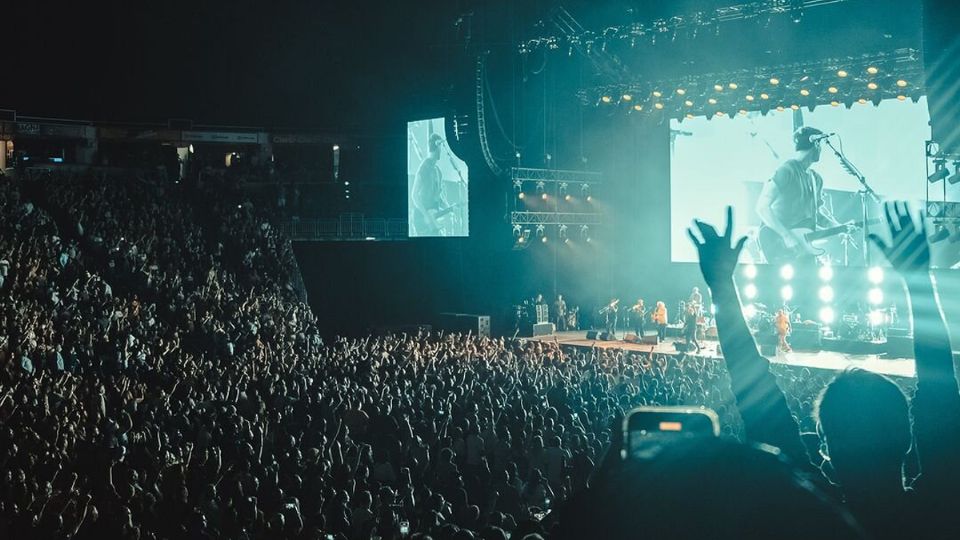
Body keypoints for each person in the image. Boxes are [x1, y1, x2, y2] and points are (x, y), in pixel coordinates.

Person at [687, 204, 960, 539]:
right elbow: (942, 401)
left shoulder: (806, 518)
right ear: (907, 438)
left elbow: (759, 399)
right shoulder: (939, 513)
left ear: (826, 450)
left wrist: (721, 286)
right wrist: (917, 278)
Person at [755, 126, 851, 264]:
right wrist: (786, 236)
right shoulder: (786, 171)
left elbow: (817, 215)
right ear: (816, 144)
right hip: (777, 244)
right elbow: (762, 207)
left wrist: (840, 227)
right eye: (820, 146)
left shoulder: (816, 179)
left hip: (803, 249)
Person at [411, 133, 451, 236]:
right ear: (437, 146)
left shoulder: (438, 171)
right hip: (422, 220)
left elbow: (437, 198)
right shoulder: (424, 168)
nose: (441, 150)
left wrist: (448, 208)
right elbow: (414, 195)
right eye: (440, 147)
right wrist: (426, 215)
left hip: (433, 218)